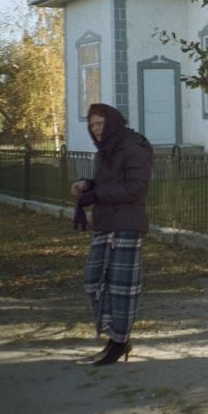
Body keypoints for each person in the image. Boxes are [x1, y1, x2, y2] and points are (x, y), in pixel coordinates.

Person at [71, 103, 152, 366]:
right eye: (92, 125)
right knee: (93, 280)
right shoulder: (104, 152)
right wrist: (88, 184)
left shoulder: (134, 148)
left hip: (127, 224)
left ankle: (119, 342)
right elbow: (110, 182)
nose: (96, 130)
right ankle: (113, 337)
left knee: (121, 287)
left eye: (100, 124)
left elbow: (136, 188)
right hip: (105, 223)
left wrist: (99, 194)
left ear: (113, 122)